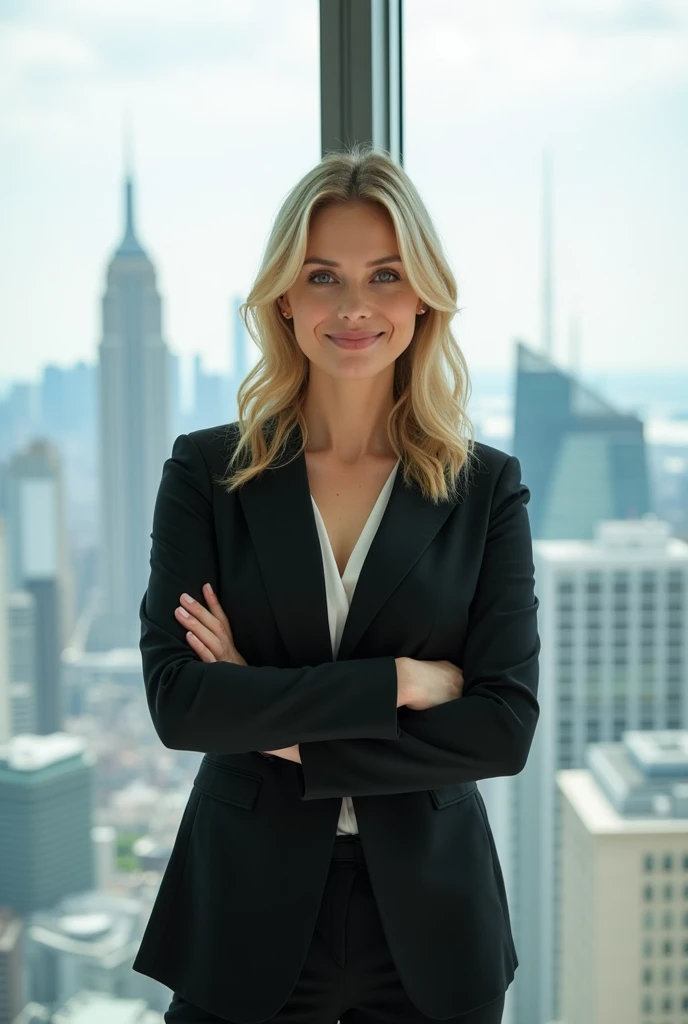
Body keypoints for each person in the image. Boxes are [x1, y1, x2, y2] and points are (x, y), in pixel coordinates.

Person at [132, 143, 540, 1024]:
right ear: (285, 296)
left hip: (433, 925)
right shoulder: (208, 473)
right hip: (243, 910)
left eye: (384, 274)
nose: (355, 307)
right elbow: (181, 704)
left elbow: (503, 730)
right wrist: (398, 683)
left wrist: (270, 711)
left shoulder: (485, 489)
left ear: (423, 293)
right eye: (323, 276)